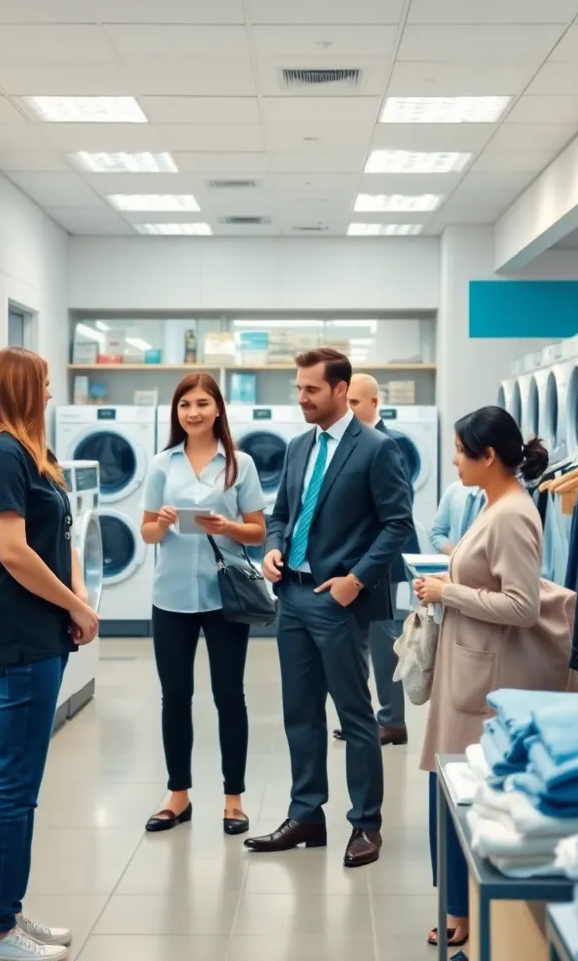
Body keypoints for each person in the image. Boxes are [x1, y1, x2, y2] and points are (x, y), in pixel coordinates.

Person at [244, 348, 414, 868]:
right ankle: (306, 815)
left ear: (341, 390)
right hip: (292, 595)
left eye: (311, 389)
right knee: (299, 711)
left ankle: (366, 823)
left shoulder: (377, 448)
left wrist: (356, 580)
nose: (301, 398)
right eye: (298, 388)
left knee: (355, 714)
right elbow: (281, 514)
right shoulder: (299, 447)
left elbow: (398, 524)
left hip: (337, 598)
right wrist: (273, 548)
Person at [413, 406, 576, 949]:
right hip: (471, 662)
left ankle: (463, 912)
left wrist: (449, 591)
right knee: (448, 783)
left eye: (461, 452)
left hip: (486, 673)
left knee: (462, 789)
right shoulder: (494, 504)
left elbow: (521, 606)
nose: (454, 461)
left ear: (487, 457)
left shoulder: (511, 515)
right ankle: (458, 908)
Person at [0, 347, 100, 961]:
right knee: (13, 786)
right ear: (18, 388)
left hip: (40, 633)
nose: (48, 393)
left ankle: (7, 912)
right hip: (17, 637)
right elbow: (13, 551)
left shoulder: (33, 453)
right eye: (42, 384)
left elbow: (61, 536)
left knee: (21, 784)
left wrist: (77, 596)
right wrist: (75, 606)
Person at [140, 373, 267, 836]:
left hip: (223, 598)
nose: (192, 413)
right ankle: (178, 795)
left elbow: (258, 531)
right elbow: (147, 532)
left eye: (201, 403)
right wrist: (163, 523)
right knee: (174, 697)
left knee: (229, 696)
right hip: (171, 597)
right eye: (184, 405)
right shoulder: (162, 464)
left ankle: (234, 800)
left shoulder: (239, 464)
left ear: (217, 409)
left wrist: (227, 527)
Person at [331, 371, 419, 747]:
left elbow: (396, 513)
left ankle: (392, 721)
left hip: (383, 561)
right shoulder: (348, 442)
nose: (348, 409)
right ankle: (365, 719)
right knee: (356, 643)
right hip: (354, 559)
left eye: (355, 402)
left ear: (374, 403)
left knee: (384, 642)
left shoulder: (388, 443)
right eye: (345, 402)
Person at [430, 479, 486, 556]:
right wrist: (455, 552)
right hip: (455, 560)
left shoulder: (499, 499)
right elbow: (436, 533)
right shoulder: (454, 490)